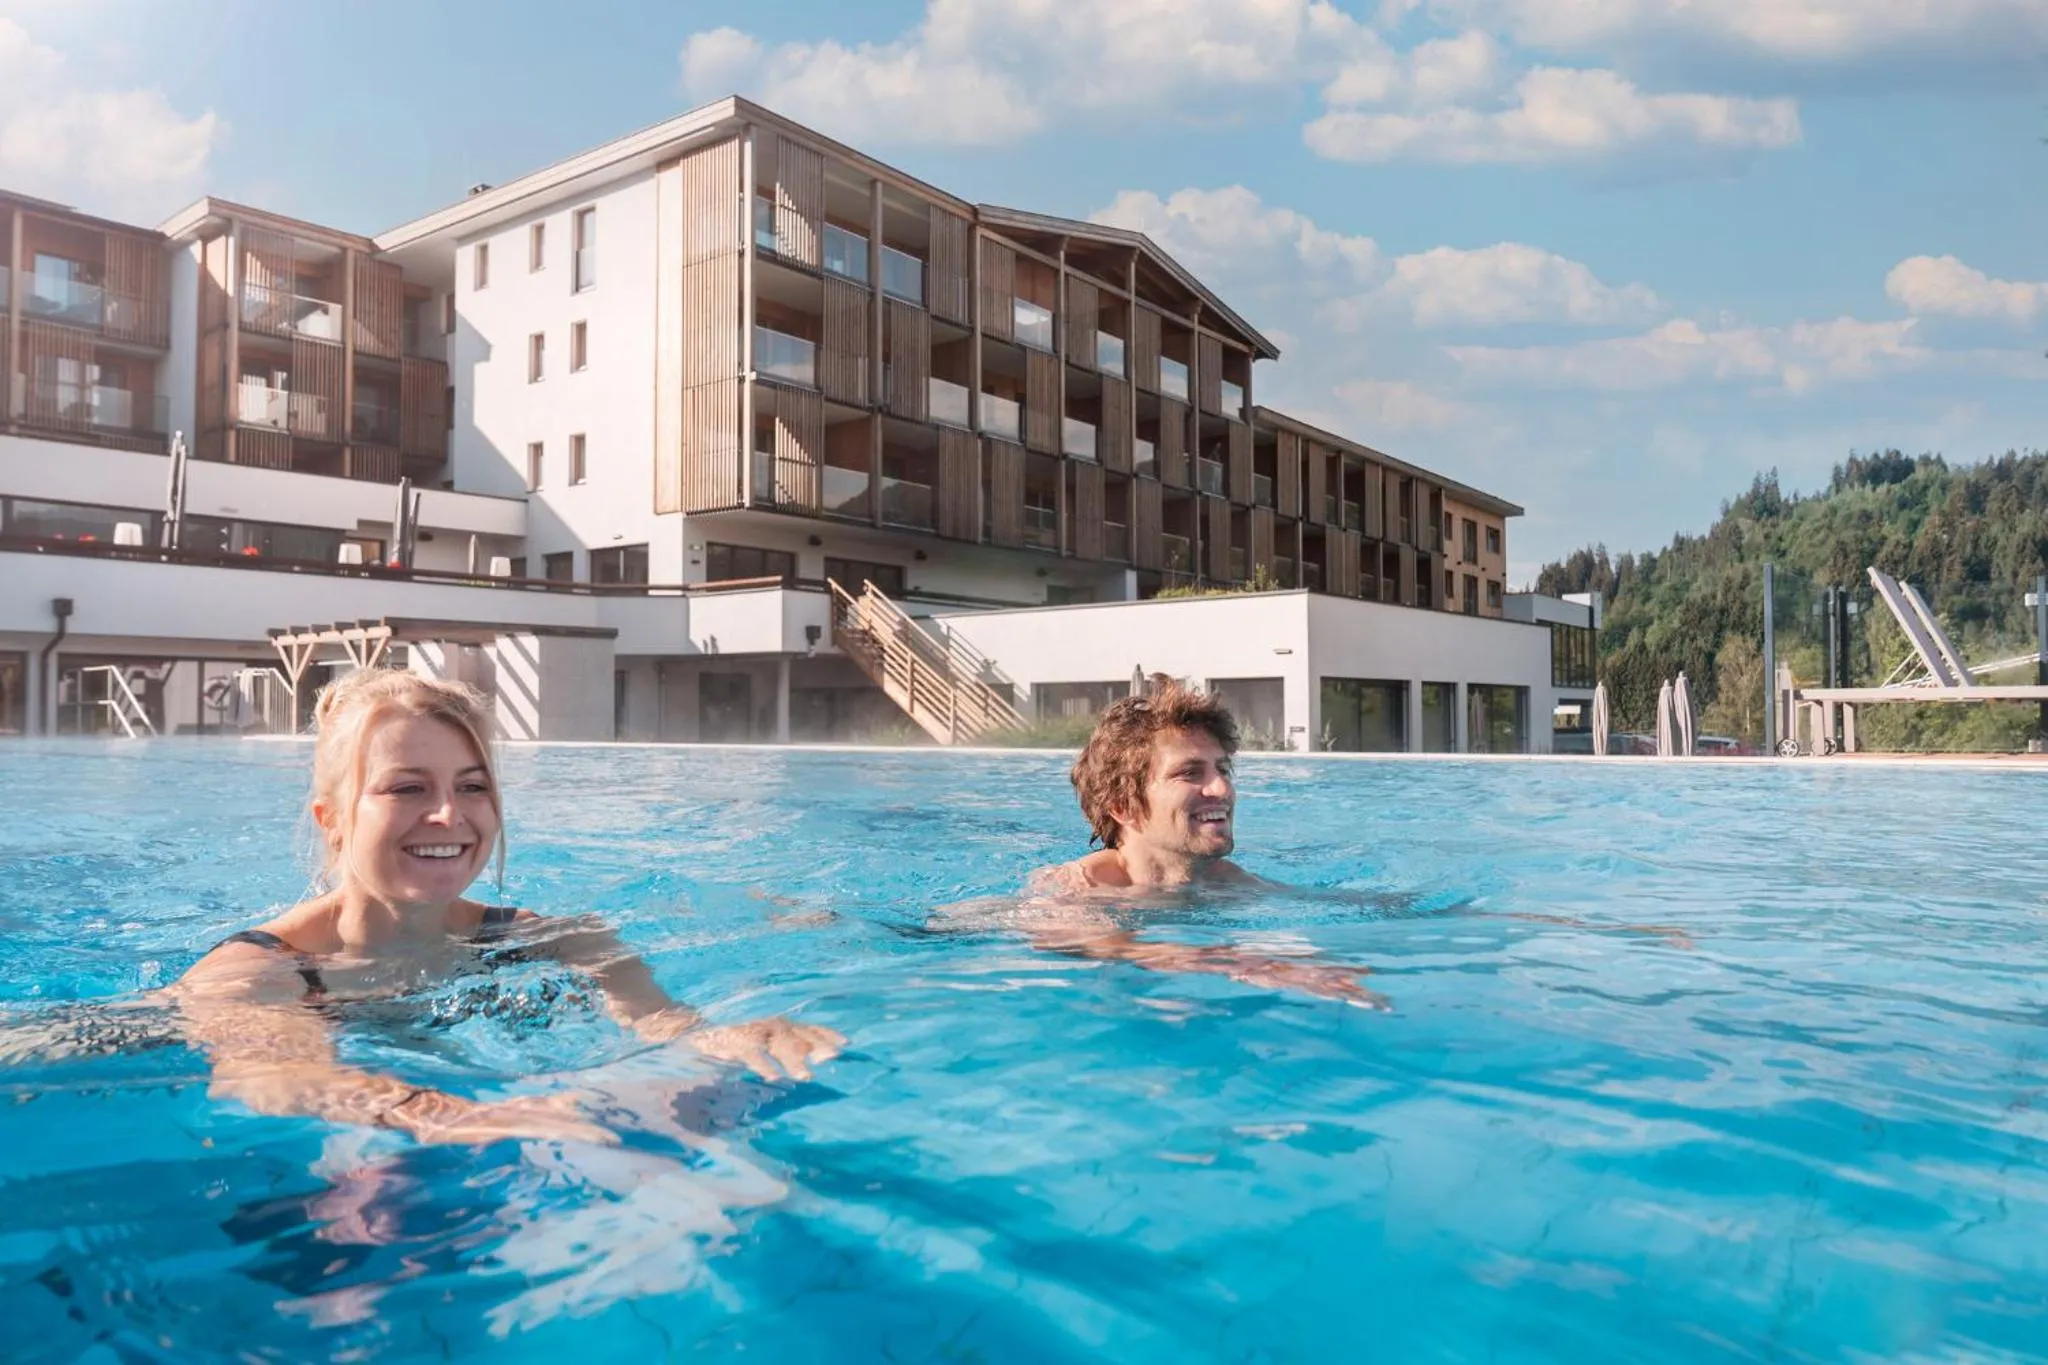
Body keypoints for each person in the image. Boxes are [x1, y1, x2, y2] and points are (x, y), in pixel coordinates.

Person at [176, 669, 843, 1145]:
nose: (449, 815)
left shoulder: (557, 939)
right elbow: (273, 1077)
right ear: (333, 821)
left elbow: (656, 1021)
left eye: (472, 787)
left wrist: (731, 1036)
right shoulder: (259, 970)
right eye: (407, 788)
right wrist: (450, 1116)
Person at [1020, 678, 1386, 1006]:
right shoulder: (1080, 884)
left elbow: (1340, 906)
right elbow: (1068, 934)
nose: (1222, 788)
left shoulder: (1227, 880)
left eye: (1223, 769)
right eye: (1190, 773)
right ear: (1123, 807)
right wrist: (1240, 964)